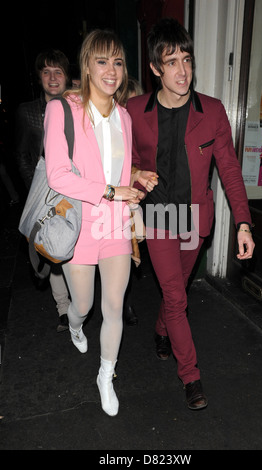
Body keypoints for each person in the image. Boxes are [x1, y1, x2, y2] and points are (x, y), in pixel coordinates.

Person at [127, 18, 255, 411]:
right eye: (171, 62)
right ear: (154, 68)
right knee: (175, 294)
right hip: (158, 215)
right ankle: (191, 376)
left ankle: (162, 329)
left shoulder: (213, 111)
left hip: (194, 218)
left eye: (187, 59)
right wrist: (132, 173)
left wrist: (243, 222)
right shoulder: (133, 111)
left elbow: (230, 170)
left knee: (176, 290)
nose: (182, 71)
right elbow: (121, 161)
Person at [43, 29, 148, 417]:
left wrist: (132, 186)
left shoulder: (124, 115)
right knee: (84, 305)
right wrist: (109, 190)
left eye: (118, 62)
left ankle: (107, 374)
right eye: (102, 61)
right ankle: (73, 324)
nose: (111, 70)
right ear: (86, 65)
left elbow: (120, 173)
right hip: (79, 224)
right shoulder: (62, 109)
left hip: (115, 225)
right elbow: (57, 175)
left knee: (114, 305)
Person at [15, 49, 71, 332]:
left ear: (67, 76)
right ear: (39, 77)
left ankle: (81, 301)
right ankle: (63, 308)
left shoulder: (77, 107)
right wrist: (34, 187)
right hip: (44, 190)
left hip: (73, 189)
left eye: (58, 71)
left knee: (74, 246)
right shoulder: (27, 112)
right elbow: (22, 155)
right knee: (52, 247)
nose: (52, 77)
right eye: (46, 72)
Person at [123, 76, 145, 326]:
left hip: (135, 195)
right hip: (110, 195)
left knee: (129, 249)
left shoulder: (142, 126)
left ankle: (124, 301)